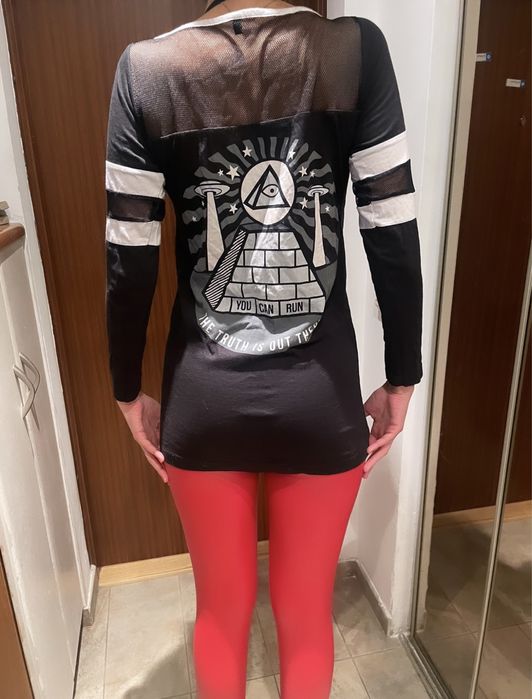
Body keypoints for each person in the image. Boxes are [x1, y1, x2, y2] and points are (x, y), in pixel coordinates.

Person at [104, 1, 423, 697]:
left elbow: (128, 258)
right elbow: (392, 227)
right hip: (322, 396)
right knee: (305, 617)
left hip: (202, 400)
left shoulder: (146, 71)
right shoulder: (353, 50)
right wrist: (403, 376)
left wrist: (126, 388)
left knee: (220, 616)